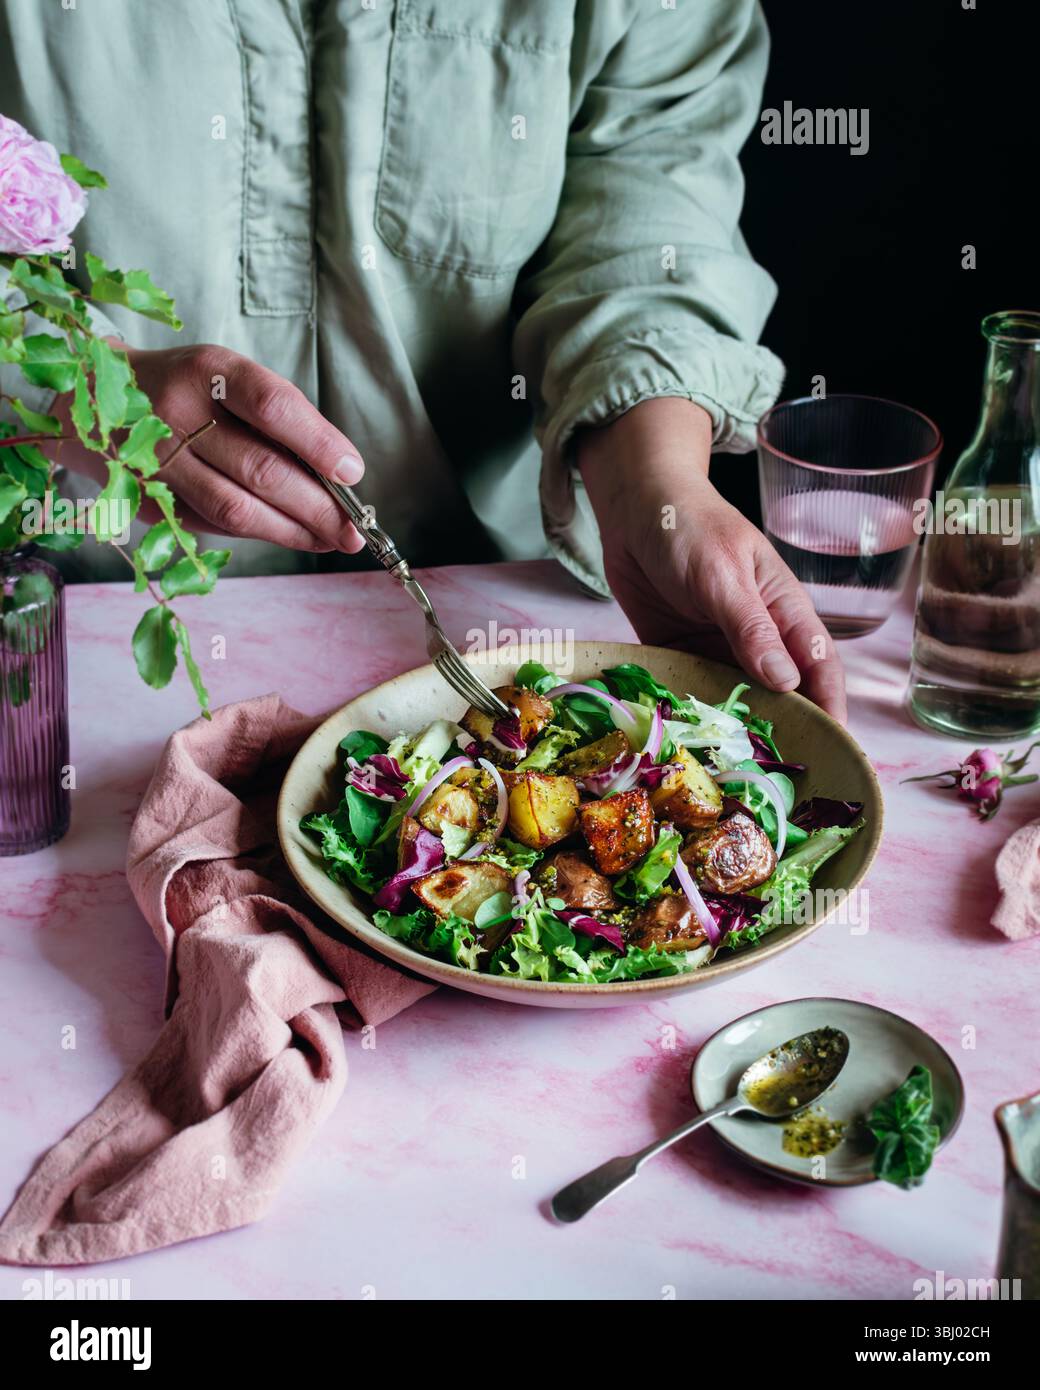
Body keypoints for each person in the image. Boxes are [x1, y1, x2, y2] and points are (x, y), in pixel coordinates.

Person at [0, 0, 845, 719]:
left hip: (507, 608)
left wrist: (654, 486)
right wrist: (82, 385)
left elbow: (649, 209)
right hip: (74, 622)